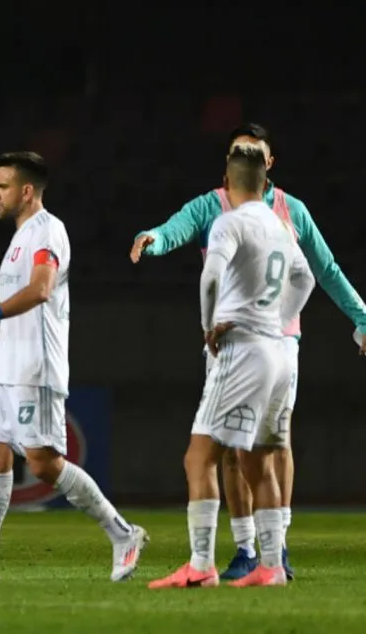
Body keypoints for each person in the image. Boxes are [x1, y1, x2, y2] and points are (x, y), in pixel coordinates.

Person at [131, 123, 366, 580]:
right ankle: (250, 550)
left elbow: (326, 268)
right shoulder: (217, 206)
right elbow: (173, 229)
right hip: (272, 346)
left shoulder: (282, 211)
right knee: (249, 450)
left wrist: (357, 315)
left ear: (267, 163)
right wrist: (153, 238)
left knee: (254, 447)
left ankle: (262, 551)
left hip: (243, 342)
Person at [0, 152, 147, 584]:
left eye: (2, 186)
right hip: (4, 365)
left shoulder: (49, 231)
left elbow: (42, 289)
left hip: (36, 366)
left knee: (45, 464)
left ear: (26, 191)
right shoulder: (18, 239)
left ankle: (123, 533)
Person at [149, 145, 315, 589]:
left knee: (199, 457)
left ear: (226, 181)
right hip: (280, 353)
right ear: (266, 183)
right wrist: (278, 319)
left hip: (242, 351)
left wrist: (209, 325)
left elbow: (210, 276)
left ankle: (201, 565)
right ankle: (272, 566)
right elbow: (307, 279)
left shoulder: (229, 222)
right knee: (260, 460)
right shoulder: (280, 224)